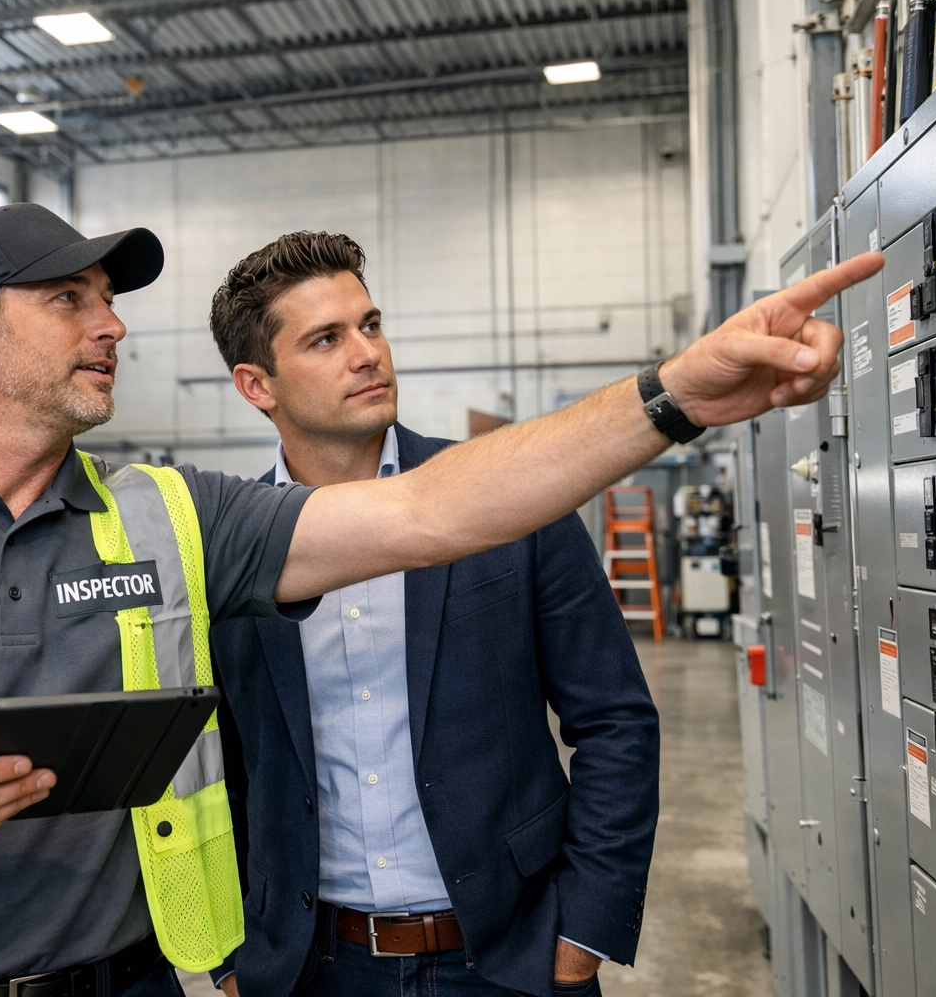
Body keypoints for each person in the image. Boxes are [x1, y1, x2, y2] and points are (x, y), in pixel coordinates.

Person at [0, 202, 879, 997]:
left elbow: (432, 512)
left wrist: (675, 396)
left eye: (111, 301)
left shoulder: (168, 513)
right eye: (70, 300)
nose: (110, 326)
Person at [203, 231, 657, 997]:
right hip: (312, 966)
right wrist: (228, 958)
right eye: (326, 339)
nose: (367, 353)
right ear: (258, 384)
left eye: (370, 325)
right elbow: (220, 772)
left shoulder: (509, 499)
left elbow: (615, 720)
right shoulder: (229, 550)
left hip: (509, 955)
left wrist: (584, 929)